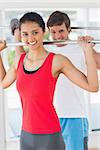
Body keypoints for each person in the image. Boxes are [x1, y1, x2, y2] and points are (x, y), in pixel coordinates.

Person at [0, 12, 98, 150]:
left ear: (43, 32)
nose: (30, 38)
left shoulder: (57, 60)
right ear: (20, 35)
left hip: (50, 135)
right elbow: (3, 83)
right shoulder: (19, 61)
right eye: (25, 34)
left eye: (35, 32)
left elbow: (92, 86)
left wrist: (88, 51)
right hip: (26, 135)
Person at [46, 11, 95, 150]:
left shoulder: (80, 48)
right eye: (53, 32)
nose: (57, 36)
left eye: (61, 31)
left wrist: (88, 49)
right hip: (51, 116)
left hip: (75, 115)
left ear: (69, 29)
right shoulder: (45, 49)